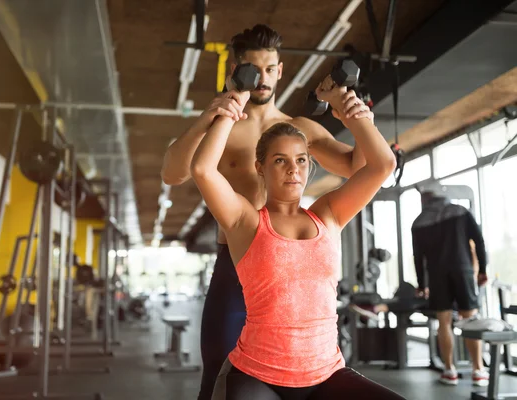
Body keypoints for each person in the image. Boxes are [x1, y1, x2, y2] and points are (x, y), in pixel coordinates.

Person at [161, 24, 373, 399]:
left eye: (270, 68)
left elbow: (360, 166)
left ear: (280, 71)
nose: (262, 78)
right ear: (235, 72)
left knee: (298, 374)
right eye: (252, 69)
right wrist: (209, 118)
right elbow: (173, 173)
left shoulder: (298, 130)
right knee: (217, 369)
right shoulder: (222, 129)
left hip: (288, 265)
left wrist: (355, 116)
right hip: (236, 262)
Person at [190, 72, 402, 399]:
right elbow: (203, 169)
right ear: (260, 167)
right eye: (280, 160)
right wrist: (231, 108)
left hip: (326, 373)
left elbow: (382, 165)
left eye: (301, 160)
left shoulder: (328, 214)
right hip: (256, 375)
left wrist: (352, 115)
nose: (293, 169)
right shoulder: (244, 221)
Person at [412, 189, 489, 386]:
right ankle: (478, 370)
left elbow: (418, 257)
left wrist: (422, 284)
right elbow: (478, 240)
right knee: (469, 319)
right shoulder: (460, 211)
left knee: (444, 322)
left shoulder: (419, 222)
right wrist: (482, 269)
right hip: (462, 270)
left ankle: (449, 370)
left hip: (437, 275)